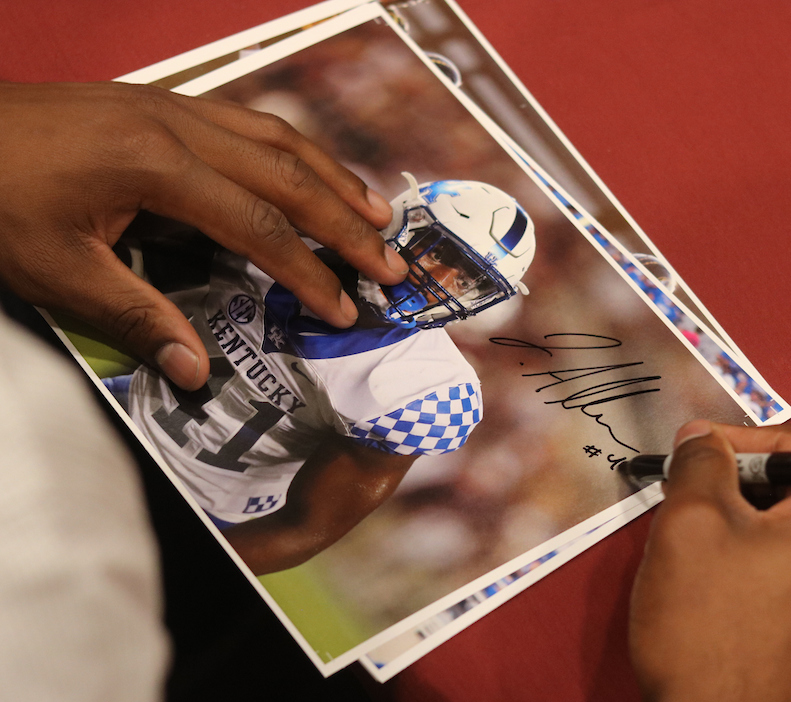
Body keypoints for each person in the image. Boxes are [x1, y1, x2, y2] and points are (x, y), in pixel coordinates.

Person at [0, 6, 791, 702]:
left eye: (457, 270)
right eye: (433, 250)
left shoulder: (419, 386)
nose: (431, 277)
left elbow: (310, 521)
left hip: (199, 498)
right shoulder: (275, 259)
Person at [112, 174, 534, 574]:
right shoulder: (282, 235)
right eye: (440, 252)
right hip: (124, 404)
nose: (438, 282)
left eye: (466, 279)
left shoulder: (425, 392)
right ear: (407, 218)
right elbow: (142, 260)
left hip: (198, 503)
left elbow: (304, 528)